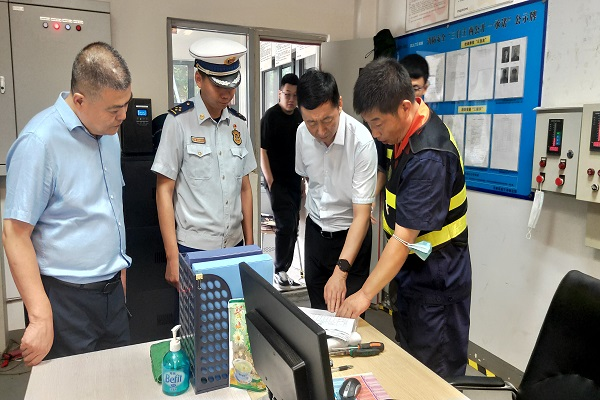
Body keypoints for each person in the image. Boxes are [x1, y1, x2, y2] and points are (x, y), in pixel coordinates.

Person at [338, 58, 472, 379]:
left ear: (405, 107)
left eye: (377, 124)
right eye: (369, 124)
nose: (375, 133)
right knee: (409, 364)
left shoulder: (429, 157)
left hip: (437, 281)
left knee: (433, 378)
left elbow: (402, 240)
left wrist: (364, 295)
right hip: (412, 275)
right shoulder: (399, 132)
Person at [2, 42, 132, 365]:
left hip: (112, 295)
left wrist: (118, 274)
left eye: (126, 104)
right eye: (114, 109)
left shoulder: (110, 135)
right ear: (79, 100)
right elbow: (14, 233)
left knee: (116, 379)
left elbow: (108, 210)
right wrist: (40, 316)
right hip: (65, 302)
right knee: (71, 386)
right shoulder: (39, 142)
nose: (123, 116)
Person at [152, 37, 256, 289]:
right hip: (194, 248)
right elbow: (164, 190)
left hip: (235, 244)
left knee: (235, 312)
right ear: (199, 79)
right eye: (219, 85)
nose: (227, 94)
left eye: (232, 85)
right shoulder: (178, 122)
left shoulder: (239, 125)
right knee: (197, 313)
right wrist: (172, 256)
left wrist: (251, 247)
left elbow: (245, 188)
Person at [295, 69, 377, 313]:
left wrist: (341, 272)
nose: (320, 131)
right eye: (311, 122)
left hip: (350, 237)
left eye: (327, 120)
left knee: (348, 318)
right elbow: (308, 178)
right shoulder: (301, 134)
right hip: (315, 234)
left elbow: (361, 216)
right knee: (318, 314)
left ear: (339, 104)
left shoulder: (361, 141)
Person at [260, 73, 304, 290]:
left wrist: (303, 180)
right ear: (279, 93)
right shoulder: (270, 117)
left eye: (295, 95)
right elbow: (262, 150)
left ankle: (285, 270)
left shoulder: (299, 117)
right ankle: (279, 270)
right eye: (287, 94)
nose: (291, 99)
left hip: (295, 180)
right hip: (277, 182)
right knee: (285, 224)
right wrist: (270, 181)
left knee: (294, 226)